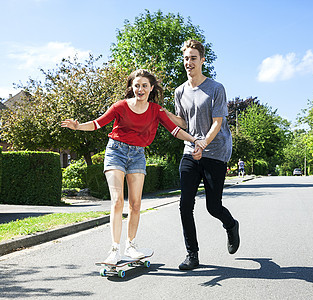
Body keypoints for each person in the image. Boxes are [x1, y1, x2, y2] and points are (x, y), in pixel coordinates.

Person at [61, 69, 206, 265]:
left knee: (136, 204)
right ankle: (114, 249)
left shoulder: (156, 110)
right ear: (131, 87)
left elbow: (175, 130)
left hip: (137, 155)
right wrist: (78, 126)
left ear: (151, 88)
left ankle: (131, 245)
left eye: (144, 85)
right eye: (136, 85)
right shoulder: (120, 106)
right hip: (116, 152)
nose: (140, 89)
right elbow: (97, 124)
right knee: (118, 201)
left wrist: (194, 140)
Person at [162, 40, 240, 270]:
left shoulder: (216, 88)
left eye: (193, 58)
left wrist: (204, 143)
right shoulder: (180, 91)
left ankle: (231, 225)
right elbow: (183, 122)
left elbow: (218, 123)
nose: (189, 62)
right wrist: (163, 112)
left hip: (215, 151)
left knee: (213, 207)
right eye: (186, 58)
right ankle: (192, 255)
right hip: (190, 149)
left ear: (202, 60)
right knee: (185, 203)